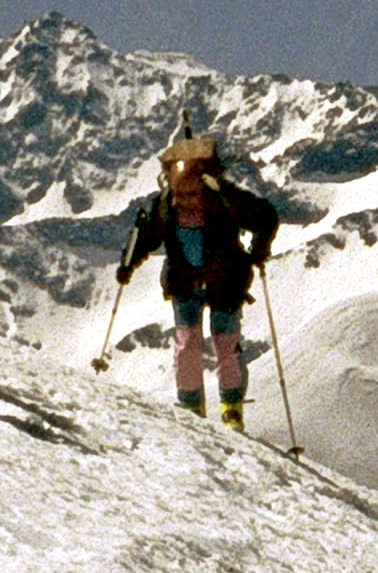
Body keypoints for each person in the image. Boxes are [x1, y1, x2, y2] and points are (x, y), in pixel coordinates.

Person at [118, 134, 283, 426]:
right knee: (188, 345)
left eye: (191, 195)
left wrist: (259, 249)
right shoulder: (168, 205)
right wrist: (128, 264)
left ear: (204, 185)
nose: (186, 202)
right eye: (181, 195)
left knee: (224, 345)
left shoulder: (222, 199)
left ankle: (228, 407)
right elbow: (145, 238)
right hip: (192, 283)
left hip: (224, 284)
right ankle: (195, 407)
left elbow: (265, 216)